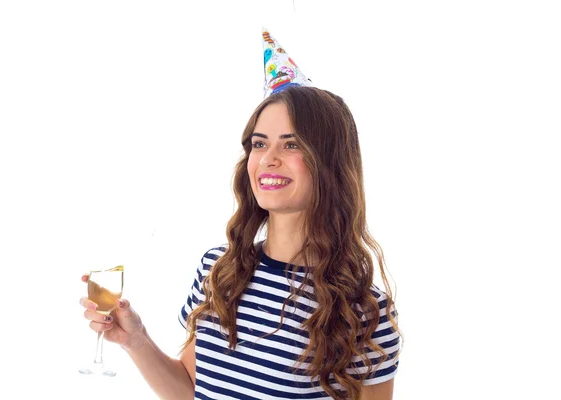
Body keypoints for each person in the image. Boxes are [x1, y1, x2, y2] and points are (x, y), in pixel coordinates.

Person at [80, 30, 401, 400]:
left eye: (291, 144)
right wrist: (134, 340)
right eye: (259, 143)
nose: (268, 159)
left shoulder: (364, 311)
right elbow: (189, 392)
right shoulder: (219, 269)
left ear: (329, 162)